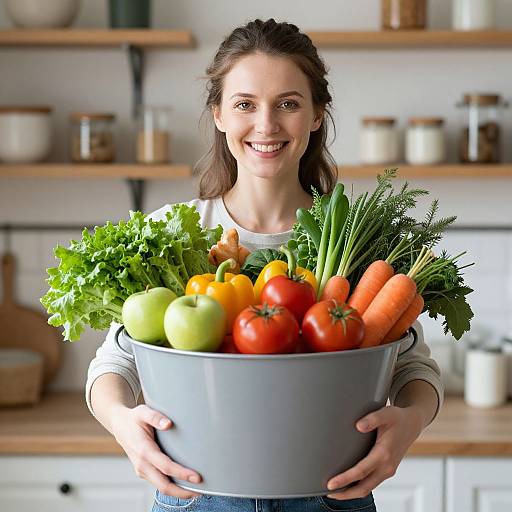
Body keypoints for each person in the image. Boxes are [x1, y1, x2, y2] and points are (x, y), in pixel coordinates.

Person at [86, 18, 443, 512]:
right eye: (245, 104)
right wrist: (124, 426)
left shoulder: (355, 236)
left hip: (329, 495)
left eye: (289, 104)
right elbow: (115, 362)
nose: (267, 125)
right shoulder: (176, 231)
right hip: (201, 493)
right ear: (218, 114)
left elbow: (413, 366)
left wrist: (409, 423)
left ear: (317, 115)